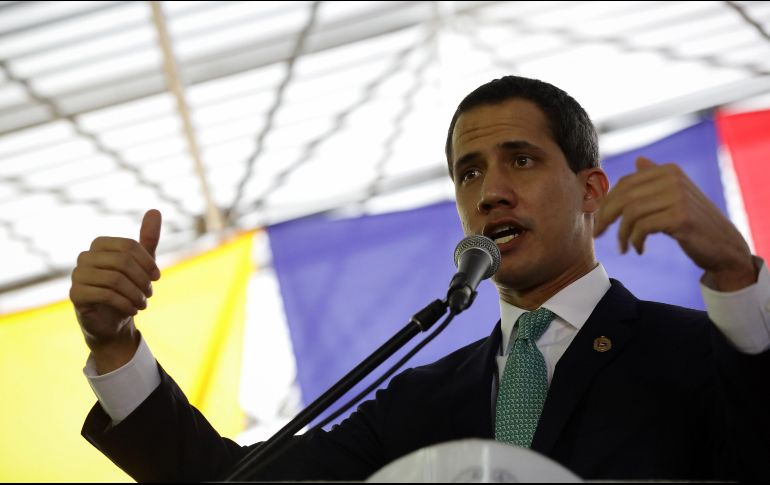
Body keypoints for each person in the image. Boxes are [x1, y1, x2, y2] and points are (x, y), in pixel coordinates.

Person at [73, 76, 770, 481]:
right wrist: (115, 346)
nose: (490, 192)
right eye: (469, 173)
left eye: (521, 160)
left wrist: (737, 276)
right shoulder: (421, 402)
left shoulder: (697, 353)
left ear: (591, 189)